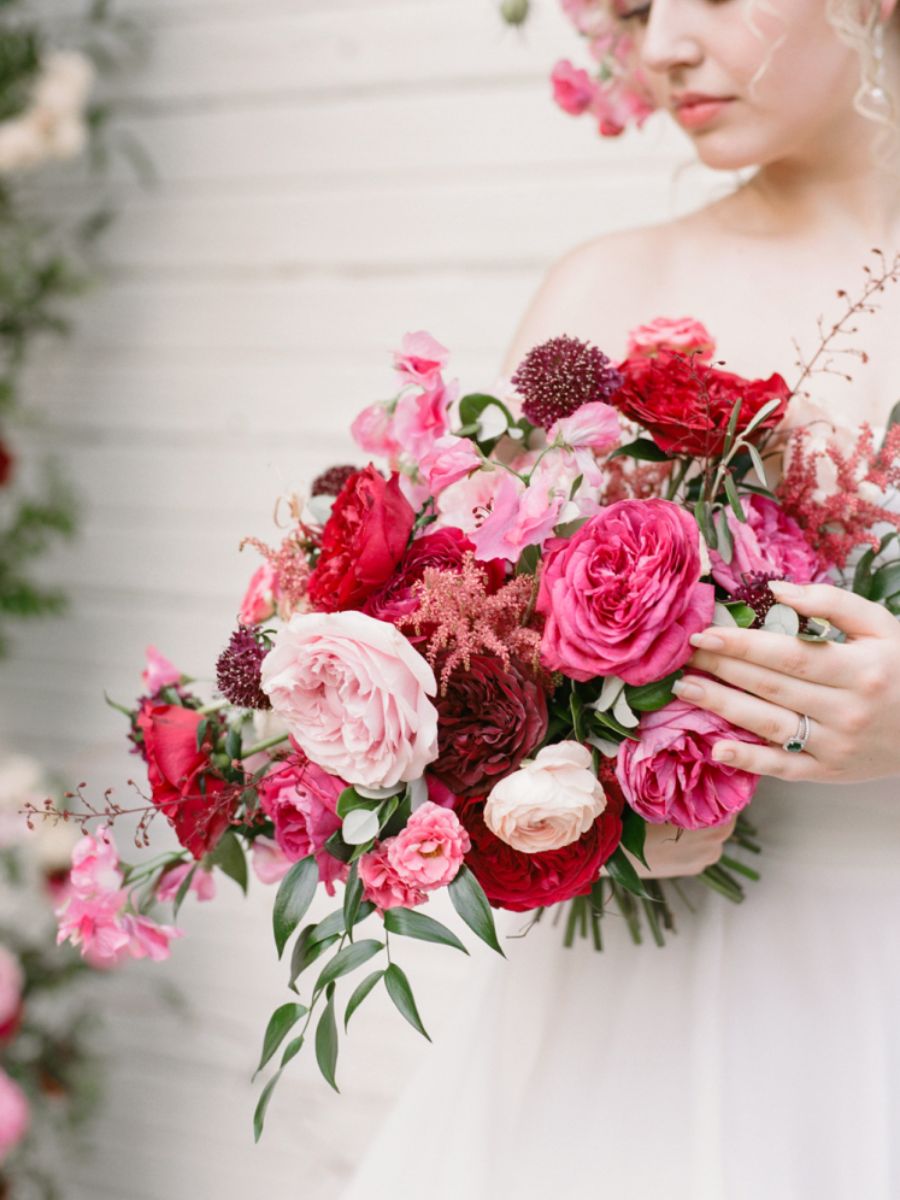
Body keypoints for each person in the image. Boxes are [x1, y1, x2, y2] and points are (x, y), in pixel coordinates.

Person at [342, 3, 900, 1196]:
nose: (665, 49)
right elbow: (473, 649)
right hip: (649, 1003)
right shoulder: (612, 286)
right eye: (642, 9)